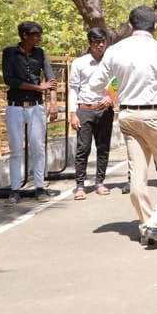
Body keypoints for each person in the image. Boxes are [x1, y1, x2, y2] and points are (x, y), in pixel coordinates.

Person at [89, 6, 157, 249]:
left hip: (127, 115)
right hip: (155, 114)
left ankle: (147, 225)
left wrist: (117, 90)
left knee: (137, 171)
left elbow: (95, 85)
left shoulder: (115, 51)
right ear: (155, 26)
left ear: (130, 25)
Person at [1, 21, 58, 204]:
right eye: (35, 35)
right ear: (25, 35)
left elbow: (51, 80)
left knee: (37, 147)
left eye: (40, 34)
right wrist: (38, 87)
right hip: (15, 106)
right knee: (16, 149)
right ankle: (15, 190)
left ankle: (39, 188)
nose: (39, 38)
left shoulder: (40, 53)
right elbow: (10, 80)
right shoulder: (9, 53)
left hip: (36, 106)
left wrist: (54, 103)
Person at [67, 28, 115, 200]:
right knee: (83, 148)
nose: (100, 45)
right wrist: (73, 113)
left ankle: (100, 182)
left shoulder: (111, 62)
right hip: (85, 110)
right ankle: (80, 185)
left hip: (105, 110)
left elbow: (117, 81)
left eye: (103, 42)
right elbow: (73, 88)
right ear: (90, 43)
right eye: (96, 42)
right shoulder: (79, 63)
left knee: (103, 148)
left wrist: (111, 97)